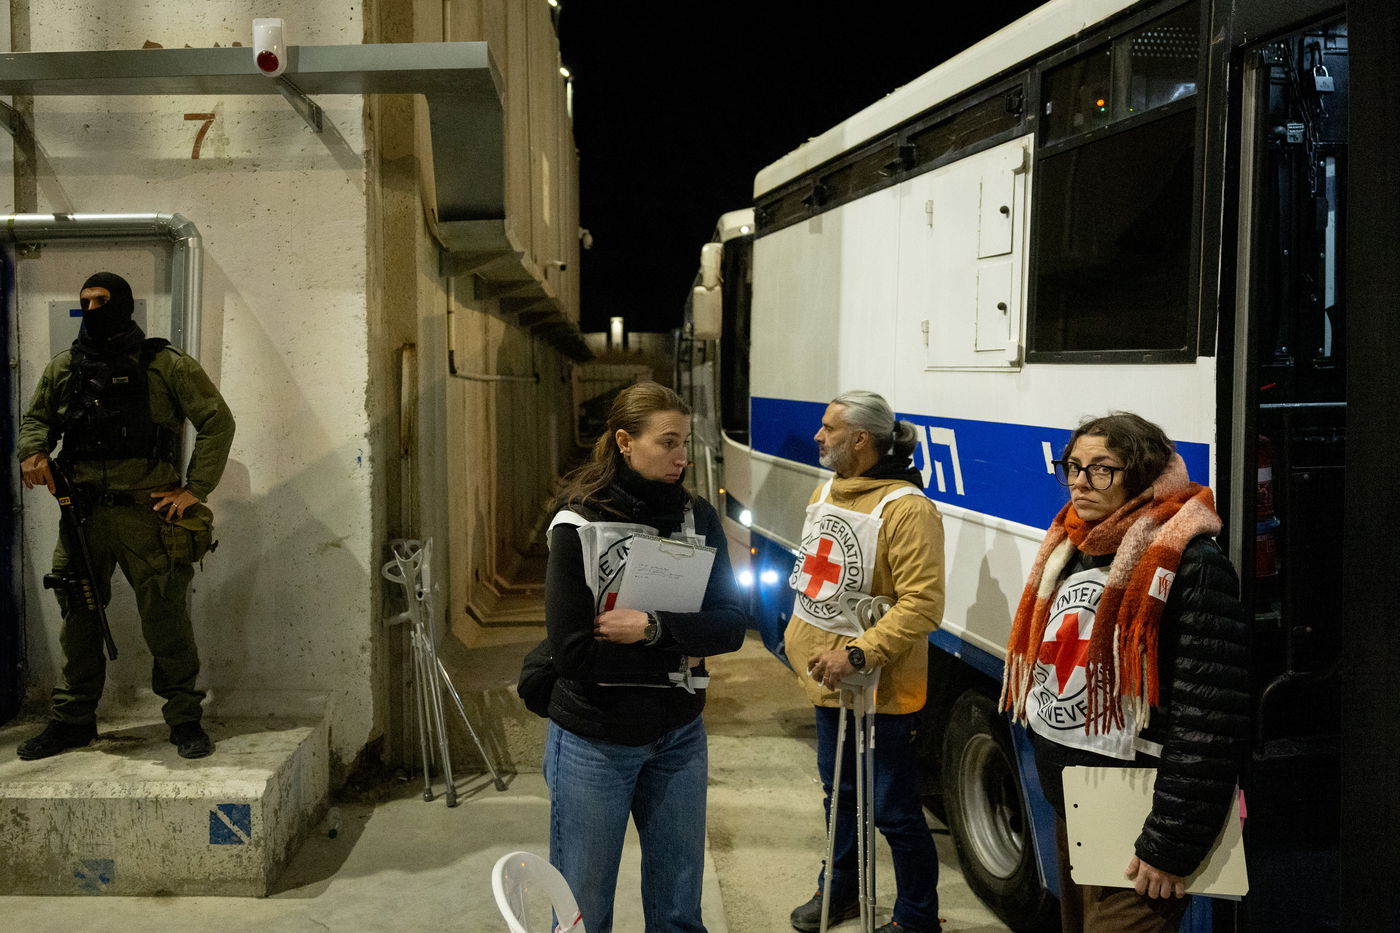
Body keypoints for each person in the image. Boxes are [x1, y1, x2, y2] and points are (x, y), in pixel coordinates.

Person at [1000, 412, 1250, 932]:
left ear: (1140, 474)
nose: (1079, 482)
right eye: (1072, 467)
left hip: (1141, 814)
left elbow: (1210, 720)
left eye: (1102, 469)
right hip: (1078, 802)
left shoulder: (1192, 563)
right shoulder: (1071, 546)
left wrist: (1169, 842)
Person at [541, 381, 748, 933]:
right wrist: (684, 651)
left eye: (686, 442)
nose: (682, 456)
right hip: (595, 740)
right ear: (625, 442)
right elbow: (572, 654)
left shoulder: (698, 517)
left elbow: (730, 626)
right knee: (583, 912)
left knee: (680, 911)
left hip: (678, 736)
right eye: (668, 442)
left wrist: (651, 628)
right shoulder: (578, 523)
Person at [16, 272, 235, 761]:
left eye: (103, 300)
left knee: (165, 619)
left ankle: (183, 719)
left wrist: (194, 490)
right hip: (83, 515)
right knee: (78, 616)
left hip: (147, 515)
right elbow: (37, 419)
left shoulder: (165, 364)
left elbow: (217, 421)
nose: (93, 309)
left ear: (125, 305)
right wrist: (32, 451)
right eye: (85, 301)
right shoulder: (65, 367)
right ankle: (73, 721)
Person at [786, 390, 945, 933]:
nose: (817, 436)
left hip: (880, 689)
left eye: (828, 428)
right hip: (828, 683)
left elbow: (922, 605)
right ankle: (841, 891)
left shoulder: (907, 508)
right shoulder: (826, 490)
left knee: (895, 810)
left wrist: (857, 653)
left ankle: (918, 917)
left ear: (861, 438)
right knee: (840, 796)